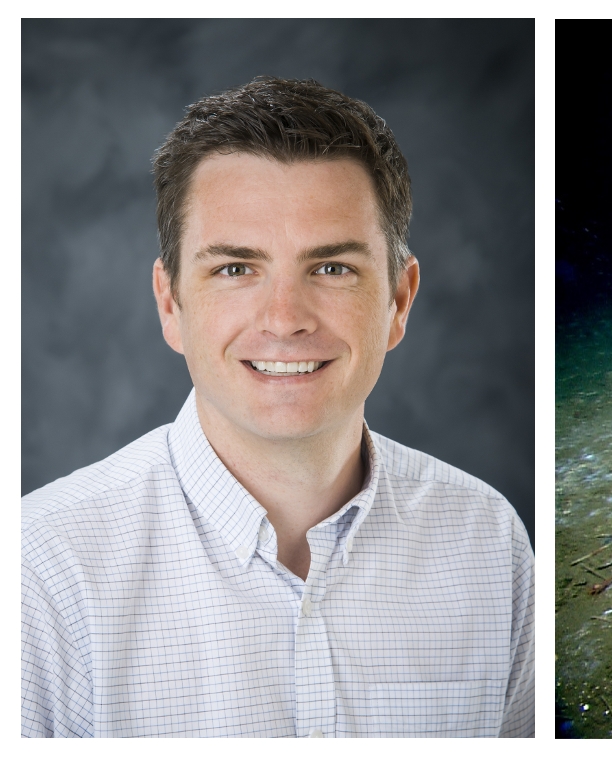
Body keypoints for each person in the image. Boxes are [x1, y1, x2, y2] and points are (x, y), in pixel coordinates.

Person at [20, 77, 534, 738]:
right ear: (170, 303)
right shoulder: (39, 570)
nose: (285, 319)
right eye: (236, 268)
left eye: (331, 268)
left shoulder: (488, 541)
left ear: (399, 302)